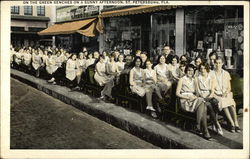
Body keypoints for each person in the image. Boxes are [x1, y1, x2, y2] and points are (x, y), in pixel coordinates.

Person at [176, 64, 212, 140]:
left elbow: (197, 92)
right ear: (186, 70)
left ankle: (200, 126)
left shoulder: (194, 79)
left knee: (203, 105)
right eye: (189, 70)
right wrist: (186, 97)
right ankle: (203, 130)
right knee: (203, 105)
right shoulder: (182, 79)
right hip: (184, 100)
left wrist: (197, 96)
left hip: (193, 99)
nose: (190, 72)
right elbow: (177, 93)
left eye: (192, 70)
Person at [210, 57, 241, 133]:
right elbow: (210, 87)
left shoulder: (226, 73)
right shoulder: (211, 73)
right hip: (216, 94)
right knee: (223, 103)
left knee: (231, 104)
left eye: (219, 63)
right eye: (216, 63)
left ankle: (236, 123)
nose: (218, 65)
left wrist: (225, 93)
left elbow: (229, 87)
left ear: (222, 63)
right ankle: (232, 123)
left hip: (226, 93)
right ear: (214, 64)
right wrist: (217, 93)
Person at [195, 62, 223, 136]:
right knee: (209, 105)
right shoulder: (197, 78)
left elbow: (212, 90)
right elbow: (198, 91)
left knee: (215, 102)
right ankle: (217, 124)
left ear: (207, 69)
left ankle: (214, 123)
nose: (203, 70)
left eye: (204, 68)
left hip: (209, 95)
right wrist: (203, 97)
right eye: (201, 68)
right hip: (202, 96)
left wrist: (209, 96)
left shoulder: (211, 78)